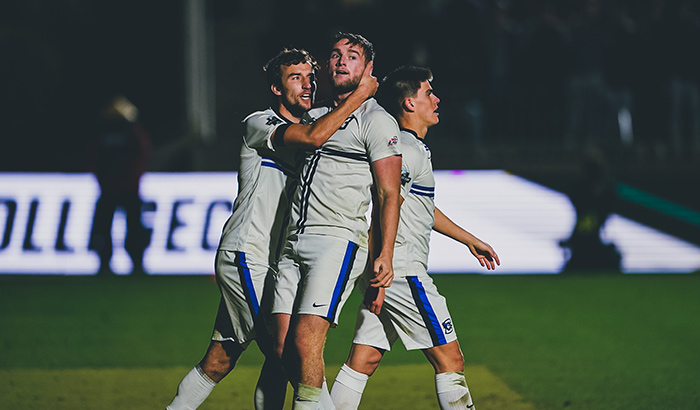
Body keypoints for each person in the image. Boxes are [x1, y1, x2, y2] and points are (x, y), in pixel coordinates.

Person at [165, 48, 378, 410]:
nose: (307, 85)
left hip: (276, 263)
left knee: (220, 360)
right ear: (276, 90)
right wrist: (359, 96)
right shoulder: (259, 123)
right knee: (288, 352)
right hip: (249, 254)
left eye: (311, 77)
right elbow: (312, 138)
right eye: (295, 78)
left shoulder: (316, 126)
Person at [330, 66, 500, 410]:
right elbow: (384, 203)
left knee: (363, 361)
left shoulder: (413, 149)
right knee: (450, 360)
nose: (436, 100)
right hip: (401, 271)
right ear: (409, 103)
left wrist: (469, 239)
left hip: (388, 269)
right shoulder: (405, 150)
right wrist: (385, 265)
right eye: (428, 94)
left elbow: (422, 206)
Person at [270, 32, 403, 410]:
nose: (341, 61)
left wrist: (385, 254)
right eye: (335, 55)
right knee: (283, 347)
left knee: (305, 341)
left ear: (369, 68)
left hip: (337, 239)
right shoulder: (315, 117)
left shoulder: (378, 121)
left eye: (353, 56)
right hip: (294, 240)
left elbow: (389, 193)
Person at [87, 95, 151, 276]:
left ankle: (133, 263)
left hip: (118, 189)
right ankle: (111, 263)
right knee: (111, 228)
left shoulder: (123, 133)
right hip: (119, 188)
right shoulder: (130, 132)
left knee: (127, 228)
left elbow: (93, 157)